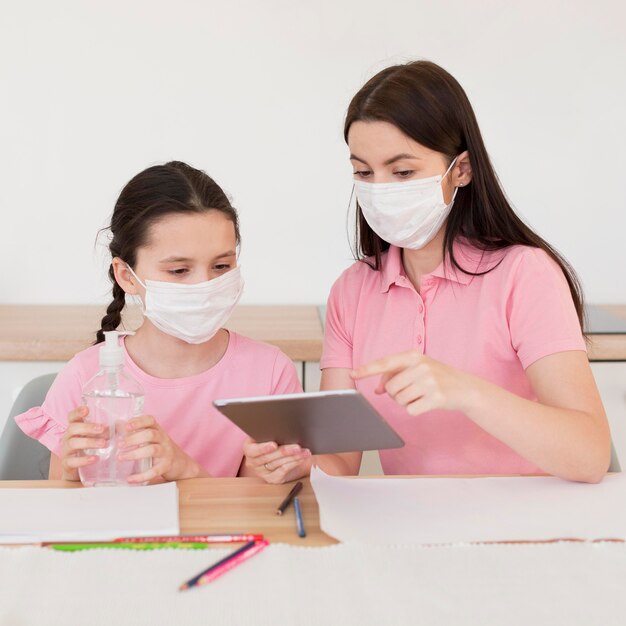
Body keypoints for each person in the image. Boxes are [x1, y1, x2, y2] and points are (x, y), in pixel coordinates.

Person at [244, 60, 610, 484]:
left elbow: (589, 455)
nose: (379, 190)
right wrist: (295, 463)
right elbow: (341, 463)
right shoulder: (353, 292)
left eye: (402, 172)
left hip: (523, 526)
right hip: (418, 530)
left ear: (461, 170)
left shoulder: (524, 274)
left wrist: (466, 392)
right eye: (364, 172)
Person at [15, 161, 305, 482]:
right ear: (126, 275)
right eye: (179, 270)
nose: (204, 286)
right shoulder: (84, 377)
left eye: (221, 266)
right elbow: (61, 505)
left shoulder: (269, 375)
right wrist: (73, 471)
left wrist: (186, 471)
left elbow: (263, 510)